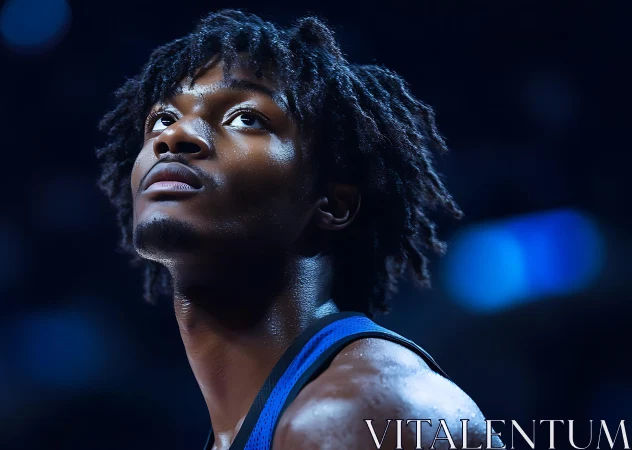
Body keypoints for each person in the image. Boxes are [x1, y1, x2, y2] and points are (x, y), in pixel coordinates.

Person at [97, 9, 500, 450]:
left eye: (247, 118)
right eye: (162, 118)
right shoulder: (277, 422)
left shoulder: (357, 413)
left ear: (332, 205)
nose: (175, 136)